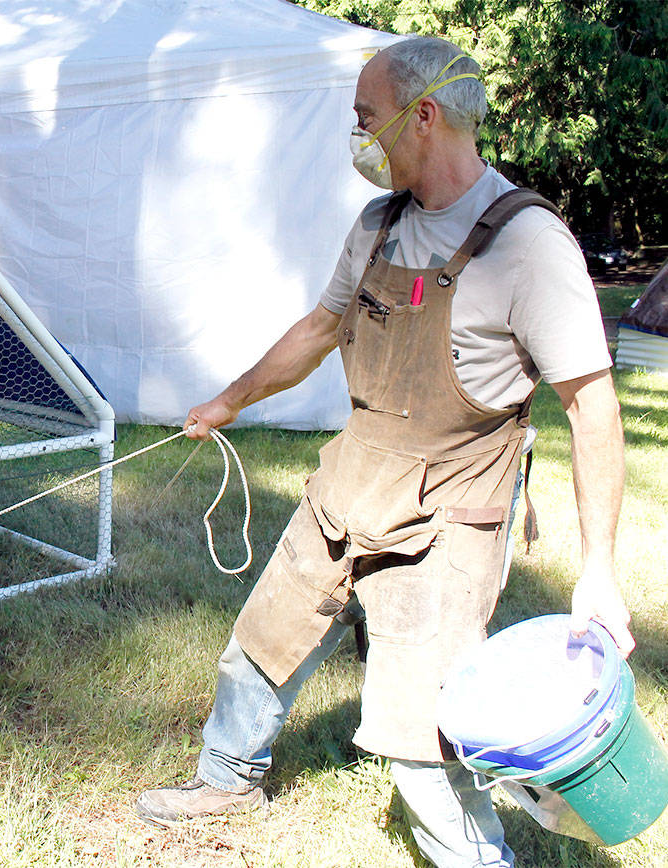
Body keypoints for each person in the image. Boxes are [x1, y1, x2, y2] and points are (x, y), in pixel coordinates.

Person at [135, 35, 635, 868]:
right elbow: (321, 328)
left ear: (424, 117)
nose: (358, 137)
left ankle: (478, 859)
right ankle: (227, 775)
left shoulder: (528, 243)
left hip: (454, 509)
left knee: (420, 736)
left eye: (367, 119)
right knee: (263, 638)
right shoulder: (376, 224)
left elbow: (593, 407)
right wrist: (230, 401)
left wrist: (601, 569)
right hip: (357, 472)